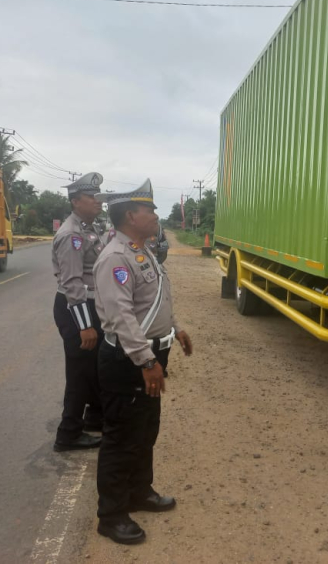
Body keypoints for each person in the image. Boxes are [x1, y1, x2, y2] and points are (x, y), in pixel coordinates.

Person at [92, 178, 193, 545]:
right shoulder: (116, 257)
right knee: (121, 436)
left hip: (149, 353)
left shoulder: (142, 249)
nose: (154, 214)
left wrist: (176, 329)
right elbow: (121, 316)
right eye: (148, 209)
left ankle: (139, 491)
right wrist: (147, 361)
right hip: (128, 358)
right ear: (130, 215)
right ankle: (112, 514)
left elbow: (151, 303)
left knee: (145, 430)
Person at [51, 172, 106, 452]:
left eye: (99, 196)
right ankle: (68, 434)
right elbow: (72, 283)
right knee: (79, 372)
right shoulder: (72, 234)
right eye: (92, 197)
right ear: (75, 202)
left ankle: (94, 418)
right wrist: (85, 325)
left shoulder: (89, 227)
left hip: (89, 305)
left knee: (92, 367)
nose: (98, 201)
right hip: (76, 308)